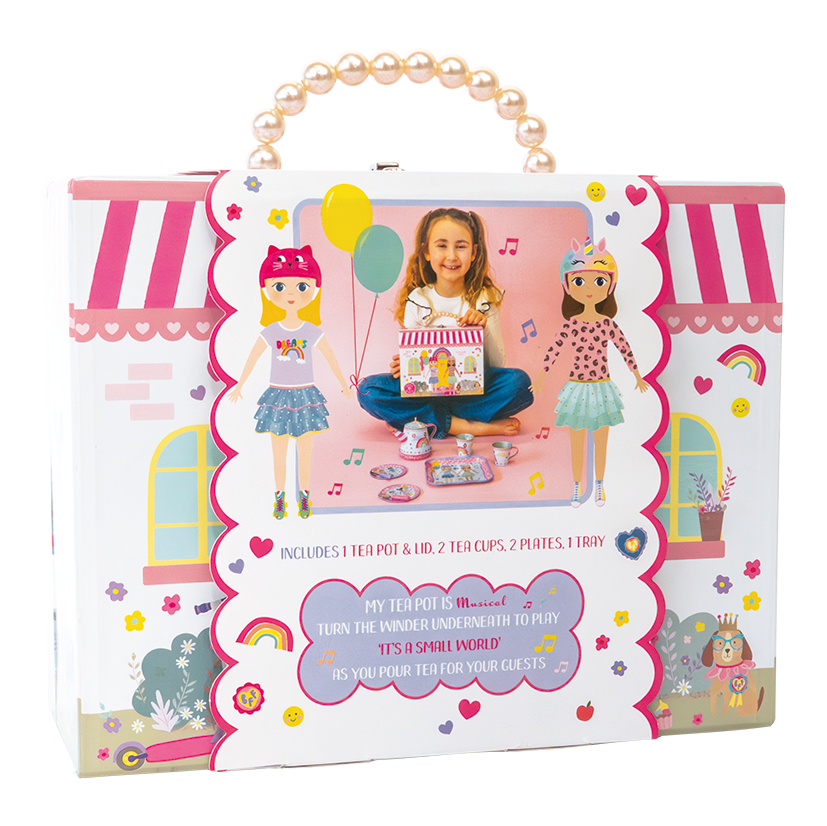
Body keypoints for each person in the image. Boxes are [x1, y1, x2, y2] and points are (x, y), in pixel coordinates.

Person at [357, 208, 532, 440]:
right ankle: (464, 426)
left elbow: (497, 364)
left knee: (519, 383)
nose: (451, 256)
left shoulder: (485, 298)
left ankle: (422, 419)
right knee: (367, 390)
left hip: (472, 391)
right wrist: (404, 366)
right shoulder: (417, 300)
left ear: (474, 252)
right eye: (441, 245)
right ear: (426, 252)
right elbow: (414, 371)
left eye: (461, 246)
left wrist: (483, 331)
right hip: (426, 392)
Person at [228, 246, 352, 519]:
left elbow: (329, 356)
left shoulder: (311, 331)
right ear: (268, 290)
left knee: (304, 453)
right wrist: (240, 384)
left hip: (306, 396)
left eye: (302, 286)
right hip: (278, 396)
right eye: (281, 286)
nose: (291, 294)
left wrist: (343, 383)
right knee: (279, 453)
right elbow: (253, 356)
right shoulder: (271, 331)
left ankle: (304, 498)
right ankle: (280, 499)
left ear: (313, 290)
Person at [531, 237, 649, 507]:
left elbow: (624, 347)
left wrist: (637, 375)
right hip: (577, 387)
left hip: (602, 387)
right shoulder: (572, 324)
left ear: (610, 286)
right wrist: (540, 378)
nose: (588, 289)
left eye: (598, 281)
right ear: (568, 286)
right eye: (578, 281)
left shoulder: (607, 324)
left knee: (601, 440)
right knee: (577, 440)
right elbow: (554, 350)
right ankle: (576, 486)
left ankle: (599, 485)